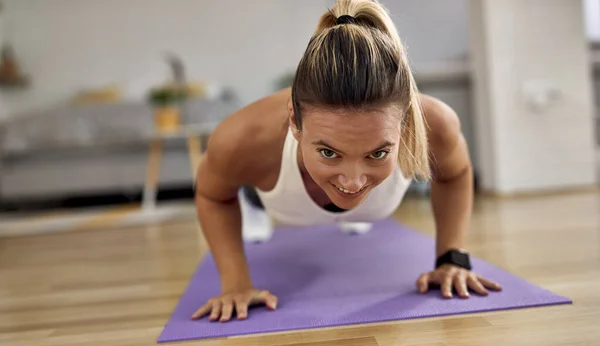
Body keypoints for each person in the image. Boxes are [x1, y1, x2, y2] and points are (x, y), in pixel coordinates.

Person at [191, 0, 502, 323]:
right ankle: (256, 201)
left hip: (368, 202)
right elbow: (214, 195)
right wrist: (236, 283)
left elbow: (455, 174)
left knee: (355, 195)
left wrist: (452, 258)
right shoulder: (243, 138)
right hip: (274, 198)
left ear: (405, 124)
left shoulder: (435, 122)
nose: (352, 180)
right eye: (329, 152)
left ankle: (352, 205)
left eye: (377, 153)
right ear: (295, 122)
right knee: (255, 192)